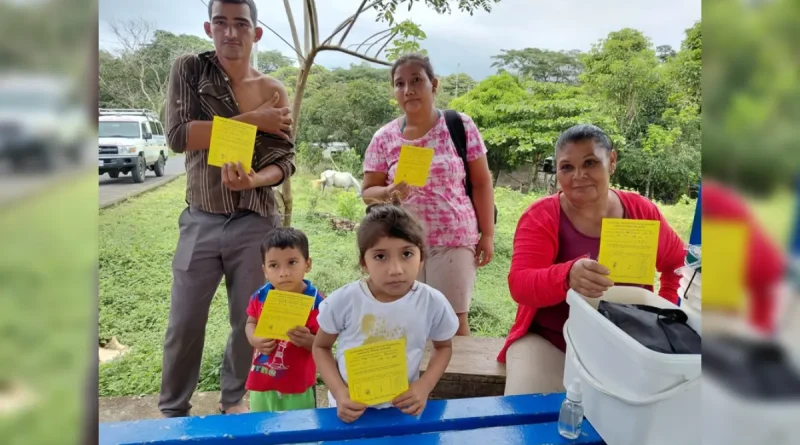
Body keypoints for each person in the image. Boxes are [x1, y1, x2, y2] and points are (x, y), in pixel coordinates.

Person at [159, 0, 295, 417]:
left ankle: (233, 399)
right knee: (184, 323)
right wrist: (253, 120)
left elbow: (285, 161)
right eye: (221, 23)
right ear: (208, 27)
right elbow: (179, 136)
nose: (230, 33)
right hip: (201, 216)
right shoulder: (191, 70)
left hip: (255, 220)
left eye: (241, 24)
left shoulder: (274, 89)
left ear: (256, 33)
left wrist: (255, 180)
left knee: (248, 322)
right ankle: (172, 409)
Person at [499, 124, 686, 395]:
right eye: (566, 167)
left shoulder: (642, 212)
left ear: (611, 161)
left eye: (590, 163)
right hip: (551, 342)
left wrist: (663, 312)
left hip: (628, 344)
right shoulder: (541, 216)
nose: (579, 176)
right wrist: (567, 276)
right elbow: (520, 284)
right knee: (529, 418)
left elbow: (677, 263)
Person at [361, 53, 495, 336]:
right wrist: (388, 191)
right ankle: (417, 381)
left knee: (453, 323)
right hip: (402, 244)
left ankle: (457, 381)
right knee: (407, 322)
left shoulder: (459, 125)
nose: (408, 89)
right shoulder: (383, 138)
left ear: (433, 84)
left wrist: (488, 235)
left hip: (454, 239)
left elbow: (482, 183)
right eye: (400, 84)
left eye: (416, 80)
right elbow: (368, 193)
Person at [312, 201, 459, 423]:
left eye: (407, 254)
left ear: (422, 258)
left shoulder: (432, 302)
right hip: (350, 410)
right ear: (364, 262)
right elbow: (321, 346)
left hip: (402, 409)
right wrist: (340, 393)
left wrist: (424, 386)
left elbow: (443, 347)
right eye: (380, 256)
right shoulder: (344, 301)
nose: (395, 270)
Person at [244, 227, 325, 412]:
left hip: (298, 386)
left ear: (307, 264)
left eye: (292, 262)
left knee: (300, 433)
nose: (284, 272)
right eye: (274, 265)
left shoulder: (317, 303)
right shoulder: (260, 296)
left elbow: (326, 342)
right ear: (264, 270)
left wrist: (310, 341)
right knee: (261, 430)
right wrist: (254, 339)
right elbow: (250, 322)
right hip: (262, 380)